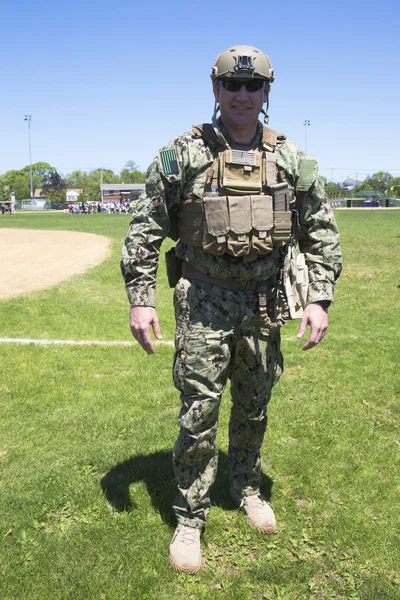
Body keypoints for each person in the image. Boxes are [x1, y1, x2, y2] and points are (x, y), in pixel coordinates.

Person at [121, 45, 342, 574]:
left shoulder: (289, 158)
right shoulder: (184, 153)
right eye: (232, 85)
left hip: (265, 303)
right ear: (216, 89)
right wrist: (141, 297)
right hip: (203, 301)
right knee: (199, 413)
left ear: (268, 93)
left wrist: (319, 297)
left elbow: (321, 232)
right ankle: (190, 518)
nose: (243, 95)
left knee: (254, 405)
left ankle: (246, 487)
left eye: (254, 86)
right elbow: (144, 229)